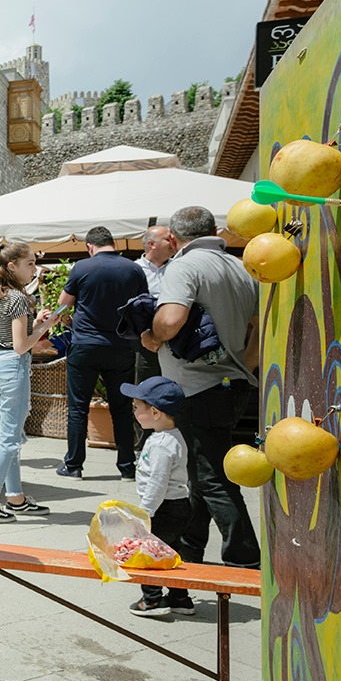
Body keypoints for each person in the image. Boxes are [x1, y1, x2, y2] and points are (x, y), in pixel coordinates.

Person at [141, 205, 260, 570]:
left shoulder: (184, 266)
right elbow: (260, 326)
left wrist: (151, 337)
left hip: (196, 387)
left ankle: (244, 559)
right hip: (234, 384)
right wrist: (244, 365)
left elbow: (170, 320)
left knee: (211, 478)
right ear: (216, 231)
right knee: (199, 473)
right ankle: (188, 549)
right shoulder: (241, 267)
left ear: (173, 238)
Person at [0, 242, 62, 523]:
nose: (34, 269)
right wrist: (45, 327)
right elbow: (21, 345)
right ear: (12, 266)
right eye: (30, 263)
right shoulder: (18, 298)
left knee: (8, 436)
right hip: (12, 367)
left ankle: (15, 498)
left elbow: (11, 337)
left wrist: (36, 323)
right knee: (9, 438)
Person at [56, 225, 148, 480]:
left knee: (78, 409)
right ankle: (127, 467)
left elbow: (63, 303)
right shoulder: (133, 269)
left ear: (90, 246)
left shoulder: (82, 267)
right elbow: (143, 305)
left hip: (85, 345)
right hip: (121, 346)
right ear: (113, 243)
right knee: (122, 408)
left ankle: (74, 466)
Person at [119, 376, 195, 617]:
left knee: (149, 552)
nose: (133, 412)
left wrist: (144, 513)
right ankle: (180, 598)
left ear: (155, 412)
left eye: (136, 407)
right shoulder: (171, 437)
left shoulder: (162, 445)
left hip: (164, 509)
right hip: (177, 506)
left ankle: (151, 600)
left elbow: (157, 483)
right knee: (171, 551)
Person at [135, 225, 176, 384]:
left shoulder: (179, 267)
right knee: (146, 386)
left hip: (176, 339)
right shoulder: (135, 269)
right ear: (151, 244)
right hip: (145, 341)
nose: (173, 242)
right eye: (167, 239)